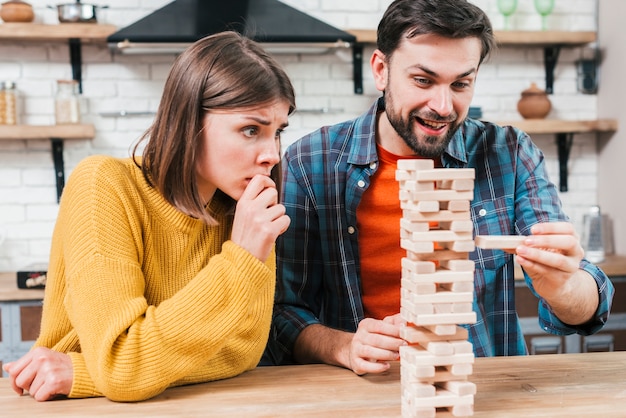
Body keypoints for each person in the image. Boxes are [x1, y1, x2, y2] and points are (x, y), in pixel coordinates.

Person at [263, 0, 614, 375]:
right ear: (381, 70)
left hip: (477, 391)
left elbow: (588, 303)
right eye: (423, 80)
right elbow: (284, 311)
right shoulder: (310, 162)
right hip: (358, 391)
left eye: (461, 84)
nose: (443, 106)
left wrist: (564, 290)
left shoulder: (510, 153)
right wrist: (344, 346)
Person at [3, 31, 295, 402]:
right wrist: (239, 259)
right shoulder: (104, 185)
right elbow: (123, 367)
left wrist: (87, 371)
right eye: (250, 130)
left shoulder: (245, 214)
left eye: (278, 132)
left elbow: (241, 351)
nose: (272, 153)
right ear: (191, 122)